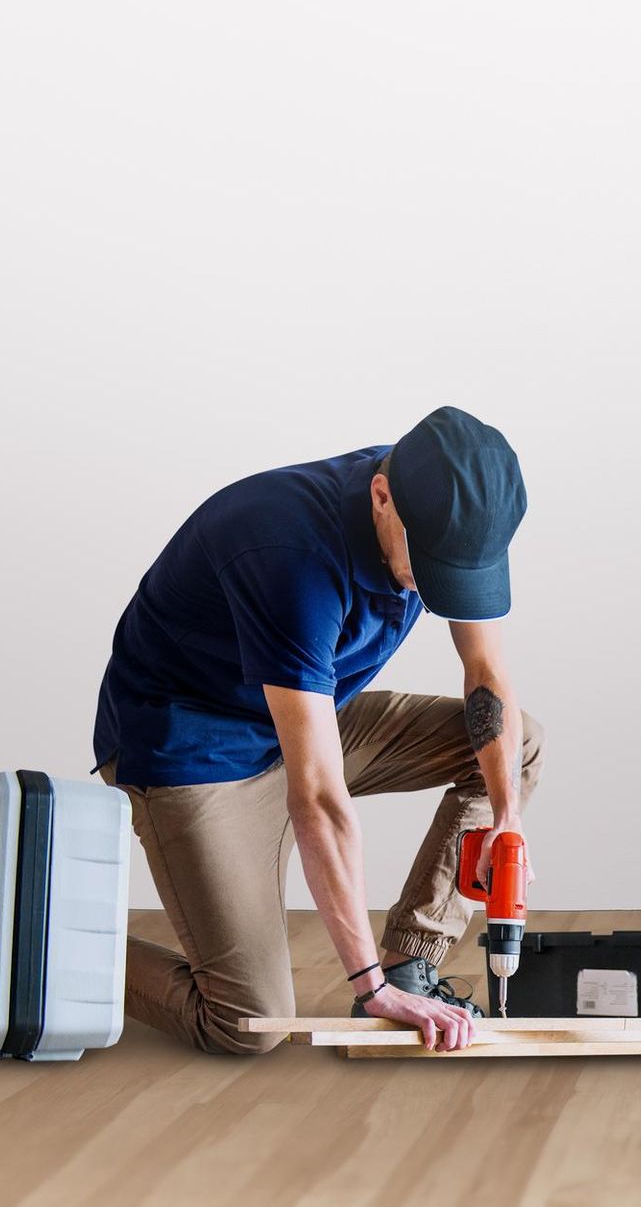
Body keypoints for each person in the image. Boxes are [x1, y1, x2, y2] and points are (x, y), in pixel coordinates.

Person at [91, 406, 542, 1054]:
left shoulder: (442, 498)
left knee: (515, 744)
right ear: (381, 498)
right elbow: (320, 799)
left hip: (306, 714)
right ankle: (44, 932)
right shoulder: (290, 554)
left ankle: (411, 963)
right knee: (247, 1021)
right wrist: (367, 989)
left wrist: (506, 819)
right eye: (436, 569)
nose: (441, 589)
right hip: (194, 750)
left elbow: (486, 672)